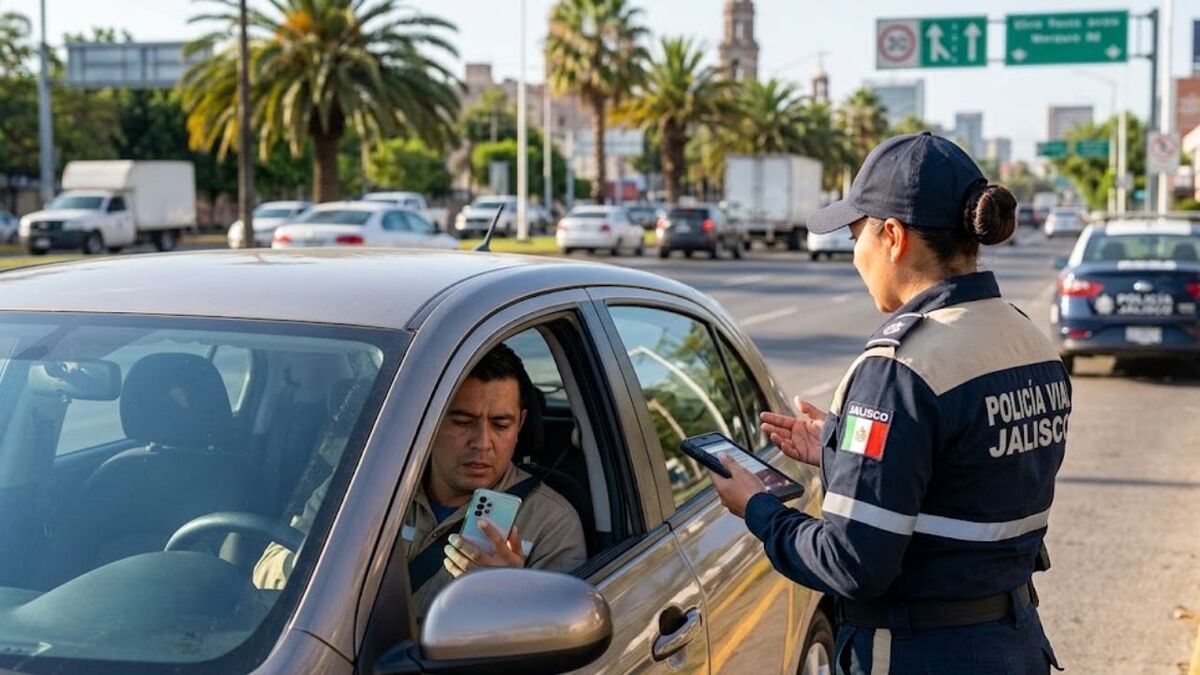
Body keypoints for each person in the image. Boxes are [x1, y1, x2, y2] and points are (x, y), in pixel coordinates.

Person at [711, 132, 1068, 674]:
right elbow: (967, 471)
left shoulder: (900, 369)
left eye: (857, 235)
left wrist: (757, 509)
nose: (855, 255)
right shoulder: (1026, 339)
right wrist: (840, 446)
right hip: (1014, 643)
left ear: (893, 237)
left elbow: (851, 564)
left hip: (920, 653)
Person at [254, 344, 587, 617]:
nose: (483, 442)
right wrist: (317, 568)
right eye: (462, 421)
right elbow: (263, 570)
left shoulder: (551, 524)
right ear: (428, 420)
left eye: (501, 424)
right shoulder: (361, 488)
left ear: (521, 425)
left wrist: (509, 596)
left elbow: (556, 644)